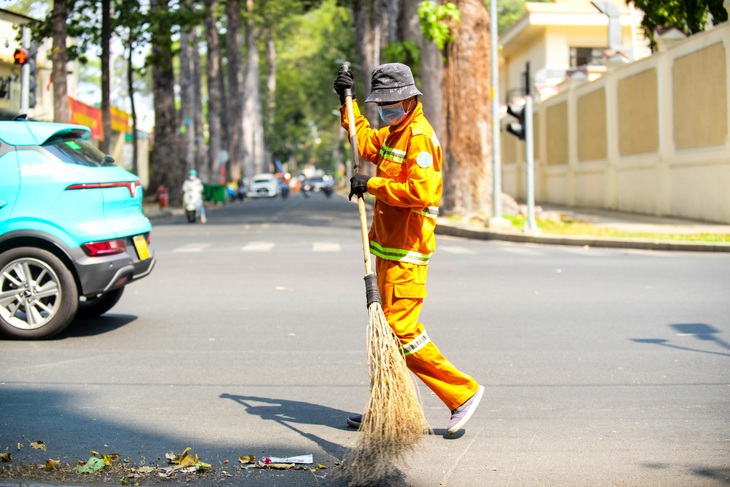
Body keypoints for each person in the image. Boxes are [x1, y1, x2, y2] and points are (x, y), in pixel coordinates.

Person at [334, 63, 484, 435]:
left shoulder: (419, 137)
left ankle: (462, 393)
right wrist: (346, 103)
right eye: (380, 105)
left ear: (410, 99)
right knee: (384, 333)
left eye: (390, 103)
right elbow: (365, 142)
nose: (384, 110)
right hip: (387, 248)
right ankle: (385, 407)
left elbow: (421, 192)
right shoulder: (394, 132)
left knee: (402, 331)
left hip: (407, 253)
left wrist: (372, 185)